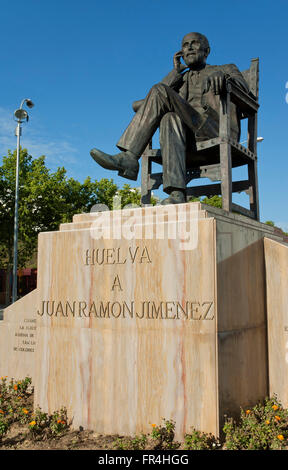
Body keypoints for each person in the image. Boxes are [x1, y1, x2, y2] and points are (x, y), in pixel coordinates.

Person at [90, 32, 249, 204]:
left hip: (215, 128)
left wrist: (225, 79)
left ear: (207, 51)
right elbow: (151, 101)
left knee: (160, 91)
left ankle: (129, 158)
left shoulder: (225, 68)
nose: (188, 47)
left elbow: (244, 89)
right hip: (187, 135)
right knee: (169, 118)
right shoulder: (179, 79)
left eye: (194, 43)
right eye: (184, 45)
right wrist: (175, 72)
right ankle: (177, 194)